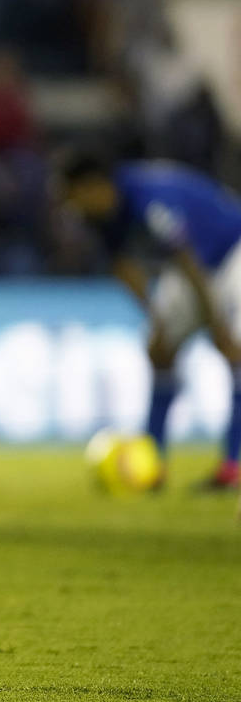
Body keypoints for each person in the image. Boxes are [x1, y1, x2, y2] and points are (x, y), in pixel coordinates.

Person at [57, 152, 241, 490]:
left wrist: (218, 326)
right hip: (193, 270)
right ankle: (152, 462)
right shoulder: (103, 215)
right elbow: (123, 268)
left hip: (232, 253)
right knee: (159, 351)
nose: (71, 207)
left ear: (92, 186)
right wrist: (156, 319)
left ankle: (234, 463)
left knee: (237, 350)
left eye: (72, 196)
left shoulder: (150, 199)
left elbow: (188, 259)